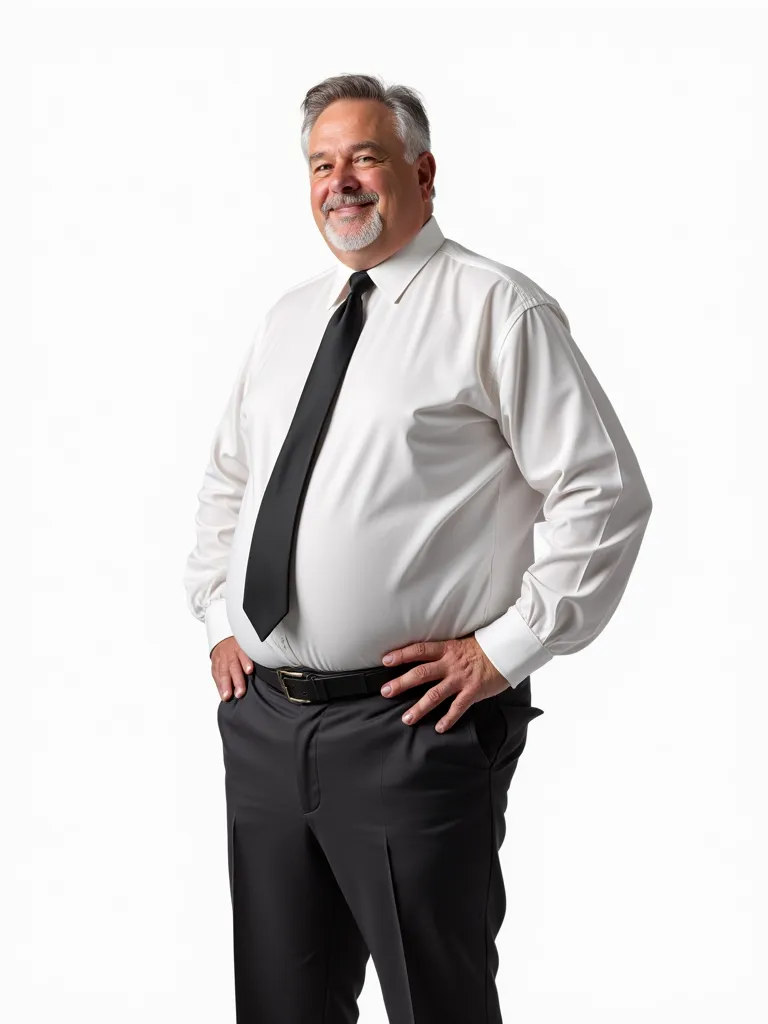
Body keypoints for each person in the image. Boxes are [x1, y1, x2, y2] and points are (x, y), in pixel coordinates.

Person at [182, 73, 653, 1024]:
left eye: (365, 157)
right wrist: (218, 616)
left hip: (411, 730)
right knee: (281, 1006)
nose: (340, 182)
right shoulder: (288, 321)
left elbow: (604, 493)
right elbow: (231, 483)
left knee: (435, 1006)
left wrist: (502, 652)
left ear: (422, 172)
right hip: (266, 729)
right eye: (322, 163)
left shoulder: (495, 308)